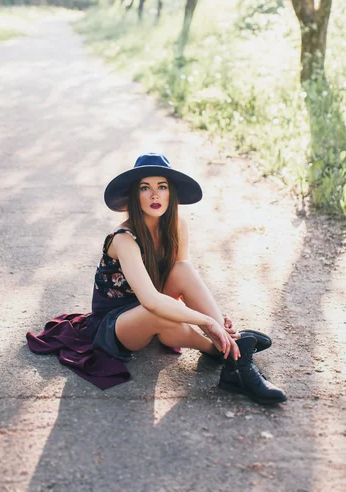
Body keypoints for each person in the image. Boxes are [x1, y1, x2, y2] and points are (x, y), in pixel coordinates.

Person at [27, 153, 286, 404]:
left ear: (170, 193)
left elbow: (179, 283)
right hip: (117, 323)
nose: (154, 195)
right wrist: (208, 322)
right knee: (159, 313)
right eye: (145, 188)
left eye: (162, 187)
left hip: (154, 303)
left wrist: (213, 322)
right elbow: (151, 301)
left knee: (182, 268)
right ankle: (225, 350)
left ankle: (232, 350)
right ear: (134, 195)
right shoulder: (123, 238)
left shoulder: (177, 226)